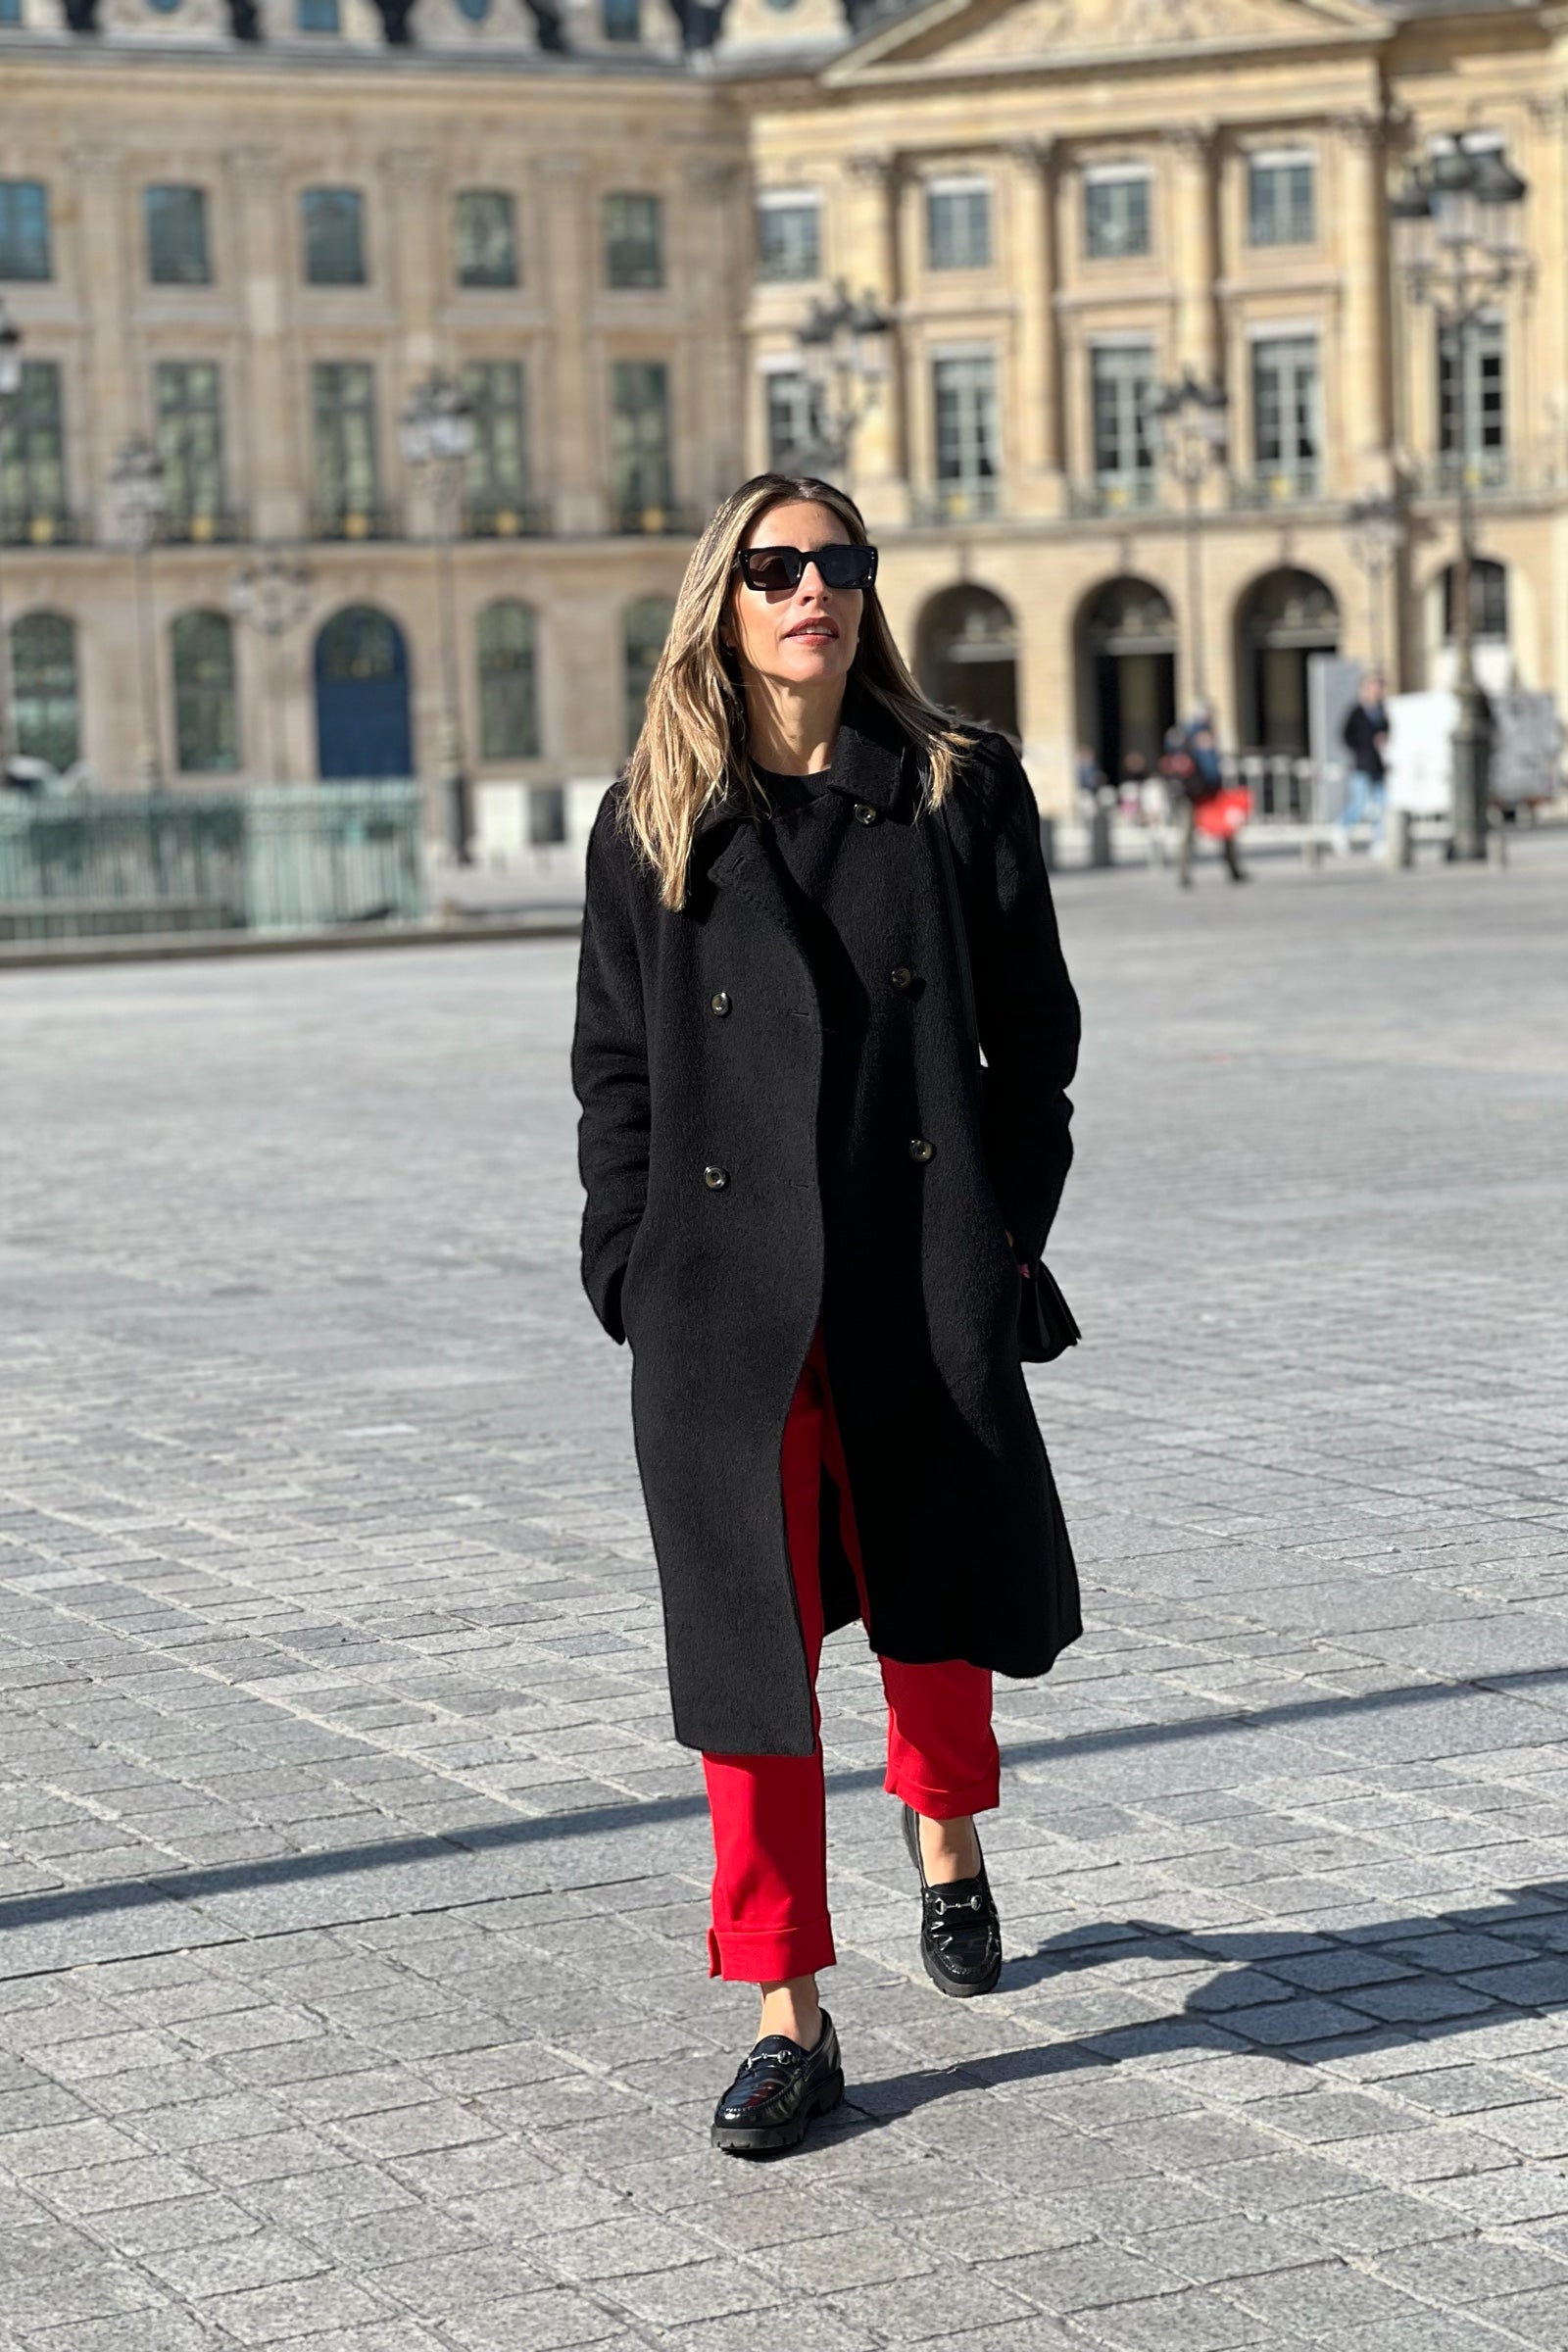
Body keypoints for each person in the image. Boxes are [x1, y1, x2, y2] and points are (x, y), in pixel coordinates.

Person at [571, 473, 1082, 2157]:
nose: (816, 591)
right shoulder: (653, 816)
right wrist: (629, 1265)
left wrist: (1001, 1240)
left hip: (912, 1258)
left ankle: (946, 1831)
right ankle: (785, 2005)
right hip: (723, 1301)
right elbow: (618, 1072)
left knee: (931, 1599)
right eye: (777, 567)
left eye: (840, 562)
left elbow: (1036, 1043)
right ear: (722, 603)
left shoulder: (954, 786)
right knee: (749, 1659)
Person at [1174, 719, 1247, 887]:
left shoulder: (1211, 752)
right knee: (1187, 836)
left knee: (1227, 831)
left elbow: (1216, 775)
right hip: (1192, 799)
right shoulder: (1188, 754)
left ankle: (1233, 868)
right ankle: (1183, 873)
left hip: (1213, 797)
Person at [1337, 672, 1390, 853]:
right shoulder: (1357, 712)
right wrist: (1360, 749)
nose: (1377, 691)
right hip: (1361, 765)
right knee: (1360, 803)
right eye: (1374, 687)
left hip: (1378, 765)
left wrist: (1384, 740)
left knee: (1381, 805)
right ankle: (1342, 829)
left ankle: (1379, 840)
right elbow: (1346, 736)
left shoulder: (1382, 711)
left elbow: (1387, 732)